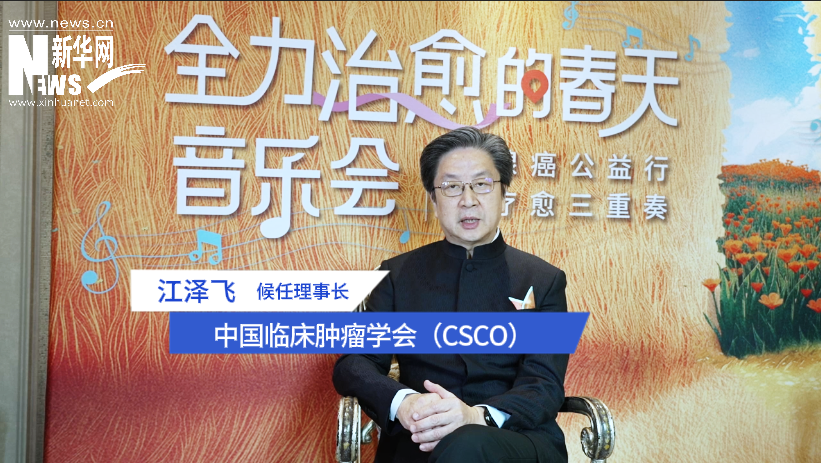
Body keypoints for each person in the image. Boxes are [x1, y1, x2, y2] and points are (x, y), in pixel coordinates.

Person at [333, 127, 569, 463]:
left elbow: (544, 384)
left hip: (515, 440)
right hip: (421, 439)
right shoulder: (397, 275)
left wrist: (476, 416)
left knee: (467, 444)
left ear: (504, 193)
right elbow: (354, 363)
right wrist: (405, 403)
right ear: (433, 199)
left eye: (482, 184)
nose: (468, 200)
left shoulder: (544, 280)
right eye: (452, 187)